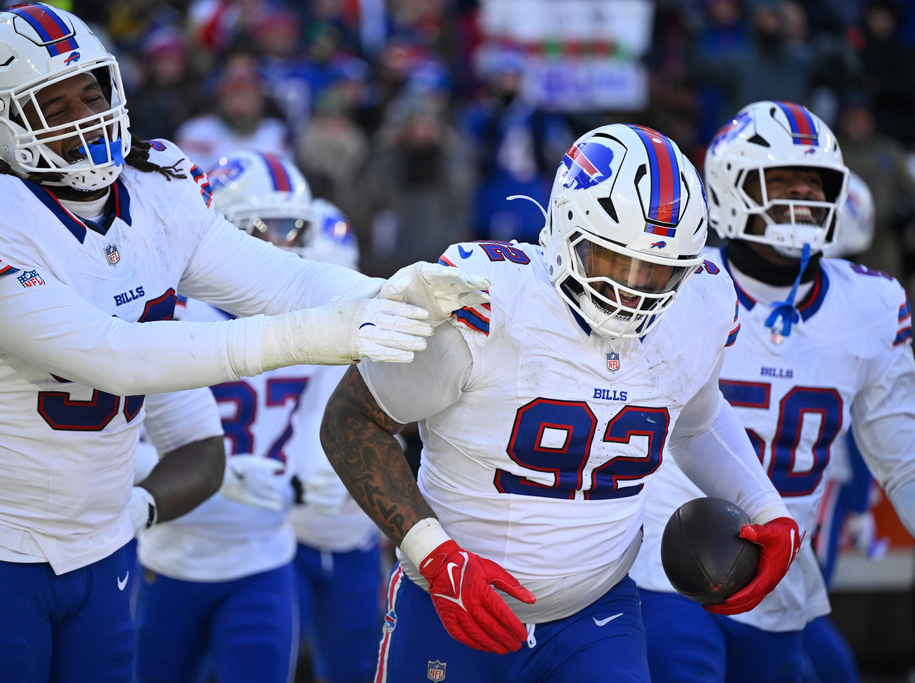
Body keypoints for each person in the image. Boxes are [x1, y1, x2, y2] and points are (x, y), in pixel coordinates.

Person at [0, 5, 488, 682]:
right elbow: (114, 356)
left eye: (92, 91)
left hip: (101, 540)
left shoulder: (155, 190)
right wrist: (319, 333)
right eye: (52, 106)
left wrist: (386, 291)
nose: (86, 115)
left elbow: (280, 279)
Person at [320, 122, 802, 683]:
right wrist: (435, 554)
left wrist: (767, 508)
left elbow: (695, 422)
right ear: (567, 229)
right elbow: (351, 420)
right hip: (452, 605)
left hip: (595, 614)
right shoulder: (487, 300)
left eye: (660, 269)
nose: (636, 288)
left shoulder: (702, 304)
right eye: (616, 261)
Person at [629, 100, 915, 683]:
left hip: (781, 573)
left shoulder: (872, 304)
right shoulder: (682, 284)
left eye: (816, 182)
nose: (804, 196)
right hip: (664, 560)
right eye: (782, 180)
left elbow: (901, 457)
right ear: (731, 187)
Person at [132, 151, 341, 683]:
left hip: (264, 558)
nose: (281, 244)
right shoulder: (170, 312)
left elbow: (320, 424)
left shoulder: (314, 321)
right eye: (264, 226)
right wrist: (214, 477)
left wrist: (315, 476)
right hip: (167, 554)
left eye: (294, 228)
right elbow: (113, 444)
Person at [289, 198, 387, 683]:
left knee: (356, 668)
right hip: (281, 535)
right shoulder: (276, 340)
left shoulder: (378, 342)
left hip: (356, 538)